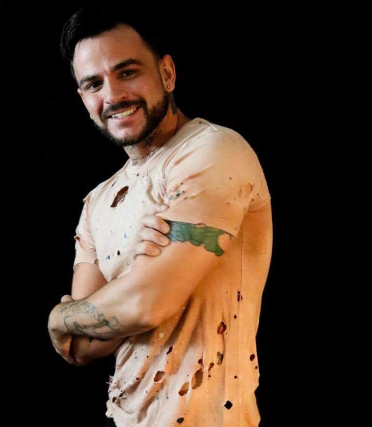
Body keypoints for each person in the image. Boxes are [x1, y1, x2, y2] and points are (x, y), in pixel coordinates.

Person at [47, 5, 272, 427]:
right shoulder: (98, 201)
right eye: (94, 83)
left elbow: (146, 304)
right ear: (83, 99)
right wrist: (135, 274)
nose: (113, 95)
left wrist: (58, 316)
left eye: (128, 72)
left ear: (167, 73)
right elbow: (80, 345)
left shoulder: (214, 152)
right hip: (123, 419)